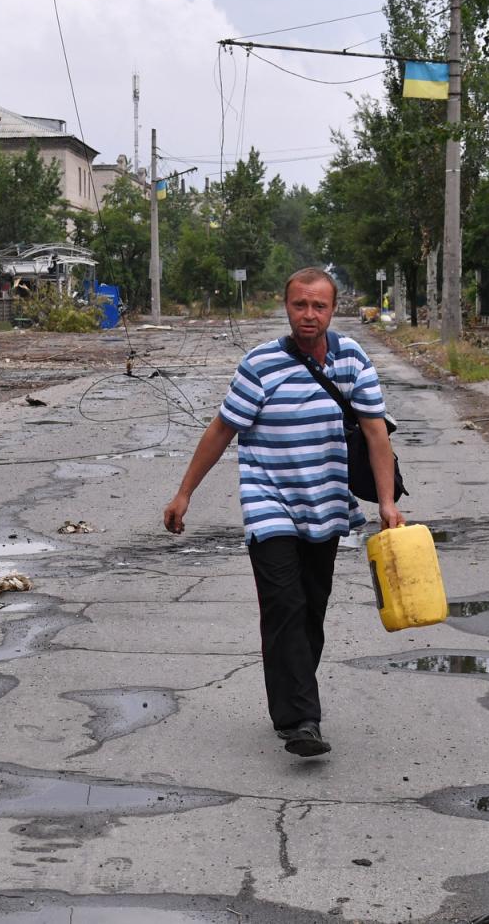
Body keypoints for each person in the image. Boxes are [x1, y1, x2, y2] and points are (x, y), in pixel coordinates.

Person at [163, 267, 404, 758]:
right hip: (268, 501)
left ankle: (293, 702)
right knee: (284, 606)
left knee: (311, 609)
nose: (309, 314)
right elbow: (221, 430)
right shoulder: (262, 364)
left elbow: (377, 434)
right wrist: (184, 492)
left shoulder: (352, 359)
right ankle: (300, 720)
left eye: (319, 306)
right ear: (286, 307)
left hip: (327, 505)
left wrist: (386, 503)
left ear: (334, 310)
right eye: (300, 305)